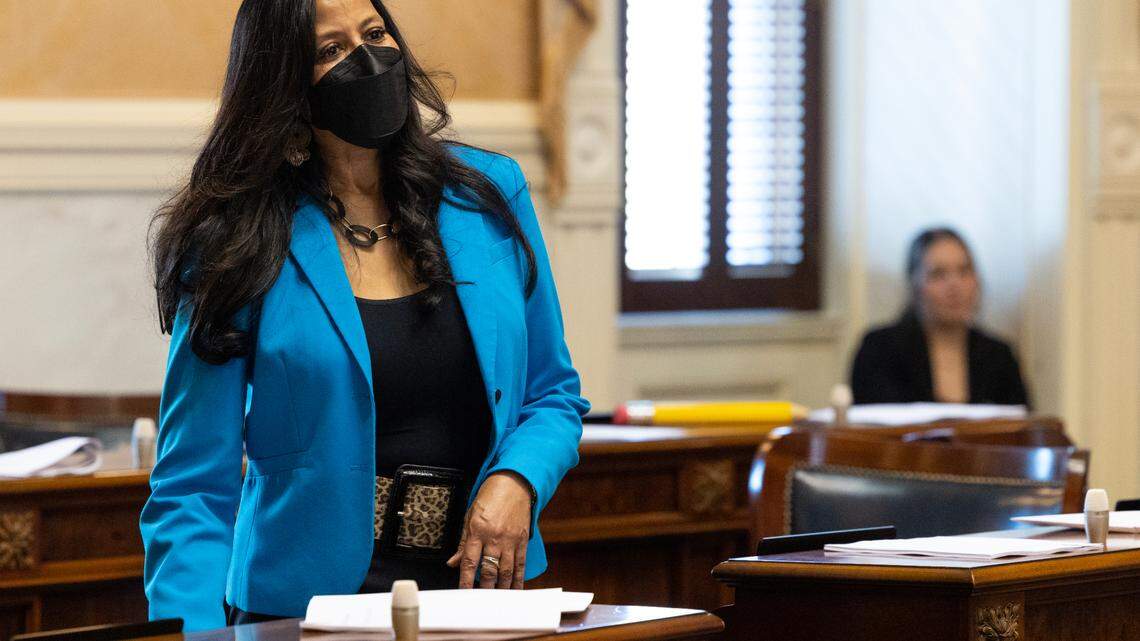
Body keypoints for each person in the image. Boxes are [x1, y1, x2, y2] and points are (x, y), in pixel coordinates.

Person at [141, 0, 590, 630]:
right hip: (302, 607)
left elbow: (553, 395)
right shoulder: (234, 242)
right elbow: (192, 484)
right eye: (331, 50)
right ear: (284, 88)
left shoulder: (488, 196)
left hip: (482, 592)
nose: (368, 59)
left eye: (375, 33)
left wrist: (517, 480)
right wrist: (190, 633)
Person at [850, 228, 1029, 407]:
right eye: (938, 274)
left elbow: (1024, 426)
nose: (955, 286)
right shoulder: (880, 349)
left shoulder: (999, 355)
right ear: (915, 284)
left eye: (964, 271)